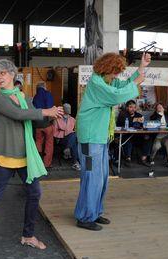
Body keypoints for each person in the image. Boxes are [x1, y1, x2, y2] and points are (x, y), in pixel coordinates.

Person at [0, 59, 63, 254]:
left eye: (2, 73)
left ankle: (28, 235)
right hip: (4, 157)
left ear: (12, 74)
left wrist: (50, 117)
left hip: (24, 156)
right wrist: (45, 110)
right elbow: (18, 114)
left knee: (35, 194)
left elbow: (32, 121)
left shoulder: (24, 97)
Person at [74, 52, 151, 231]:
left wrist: (141, 68)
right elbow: (117, 95)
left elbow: (123, 85)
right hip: (89, 139)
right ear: (107, 69)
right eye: (115, 72)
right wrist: (136, 83)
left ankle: (94, 212)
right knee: (91, 177)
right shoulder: (97, 82)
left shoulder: (106, 81)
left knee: (101, 178)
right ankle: (85, 216)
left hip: (99, 137)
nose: (117, 75)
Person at [116, 100, 151, 166]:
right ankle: (128, 159)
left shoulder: (138, 115)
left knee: (147, 138)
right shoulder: (123, 114)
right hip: (125, 135)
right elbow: (124, 122)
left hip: (136, 136)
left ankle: (143, 158)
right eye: (131, 107)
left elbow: (142, 125)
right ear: (127, 108)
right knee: (128, 141)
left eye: (134, 107)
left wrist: (143, 123)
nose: (133, 109)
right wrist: (135, 120)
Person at [32, 82, 55, 168]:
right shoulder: (47, 94)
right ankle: (47, 164)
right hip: (47, 123)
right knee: (49, 143)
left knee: (38, 142)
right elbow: (50, 108)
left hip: (37, 123)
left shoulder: (35, 97)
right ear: (44, 87)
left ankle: (38, 162)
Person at [53, 103, 80, 171]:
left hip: (70, 139)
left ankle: (73, 159)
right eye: (67, 108)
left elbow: (76, 130)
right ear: (63, 109)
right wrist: (62, 132)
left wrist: (62, 129)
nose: (69, 109)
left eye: (69, 108)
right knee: (73, 137)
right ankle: (76, 162)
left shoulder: (73, 119)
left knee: (74, 138)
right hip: (61, 139)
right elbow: (54, 132)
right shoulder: (57, 119)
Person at [150, 103, 168, 167]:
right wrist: (159, 114)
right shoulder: (153, 116)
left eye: (161, 107)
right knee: (156, 147)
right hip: (157, 137)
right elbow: (153, 124)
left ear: (164, 108)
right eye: (158, 107)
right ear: (156, 109)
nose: (160, 108)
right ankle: (151, 158)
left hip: (166, 136)